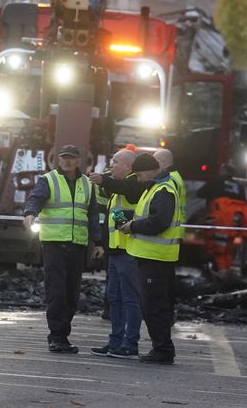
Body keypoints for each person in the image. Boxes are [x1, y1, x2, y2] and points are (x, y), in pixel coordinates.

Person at [21, 145, 104, 353]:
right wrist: (30, 213)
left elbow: (93, 215)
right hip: (55, 245)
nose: (67, 161)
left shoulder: (87, 184)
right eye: (64, 158)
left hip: (77, 245)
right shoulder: (48, 180)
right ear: (58, 160)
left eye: (71, 158)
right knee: (57, 292)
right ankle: (57, 336)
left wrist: (99, 242)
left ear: (78, 161)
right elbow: (36, 198)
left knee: (71, 294)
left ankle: (62, 335)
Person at [116, 152, 183, 364]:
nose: (138, 179)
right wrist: (130, 220)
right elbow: (149, 216)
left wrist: (133, 226)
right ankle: (162, 349)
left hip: (156, 258)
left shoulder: (163, 190)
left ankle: (162, 350)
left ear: (150, 171)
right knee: (153, 305)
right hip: (152, 258)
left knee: (154, 306)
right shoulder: (155, 188)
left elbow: (159, 222)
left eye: (139, 175)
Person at [88, 147, 142, 359]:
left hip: (128, 252)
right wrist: (102, 244)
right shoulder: (118, 191)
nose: (111, 165)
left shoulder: (134, 184)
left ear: (129, 167)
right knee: (115, 298)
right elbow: (112, 220)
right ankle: (116, 341)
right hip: (116, 251)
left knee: (130, 299)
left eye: (116, 162)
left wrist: (103, 179)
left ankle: (130, 344)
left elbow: (123, 187)